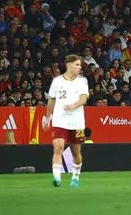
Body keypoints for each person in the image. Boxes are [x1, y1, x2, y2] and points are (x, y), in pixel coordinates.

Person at [46, 54, 90, 188]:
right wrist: (48, 117)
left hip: (77, 122)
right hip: (59, 120)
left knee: (76, 151)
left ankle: (75, 175)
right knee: (58, 147)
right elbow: (51, 99)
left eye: (80, 65)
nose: (79, 67)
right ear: (68, 65)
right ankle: (56, 177)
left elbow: (84, 99)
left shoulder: (82, 81)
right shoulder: (57, 81)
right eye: (77, 64)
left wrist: (73, 106)